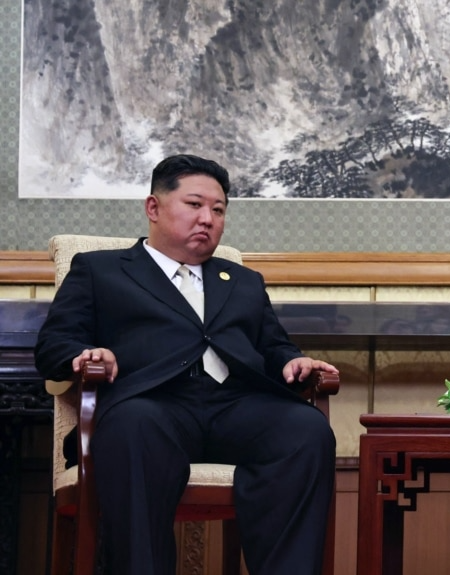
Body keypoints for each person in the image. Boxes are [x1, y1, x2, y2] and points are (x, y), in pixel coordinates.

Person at [34, 154, 339, 575]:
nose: (207, 219)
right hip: (152, 405)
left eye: (218, 210)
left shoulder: (243, 281)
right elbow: (53, 345)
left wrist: (294, 362)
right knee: (133, 427)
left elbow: (273, 346)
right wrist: (87, 355)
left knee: (306, 429)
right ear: (153, 208)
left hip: (235, 406)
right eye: (194, 205)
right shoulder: (100, 270)